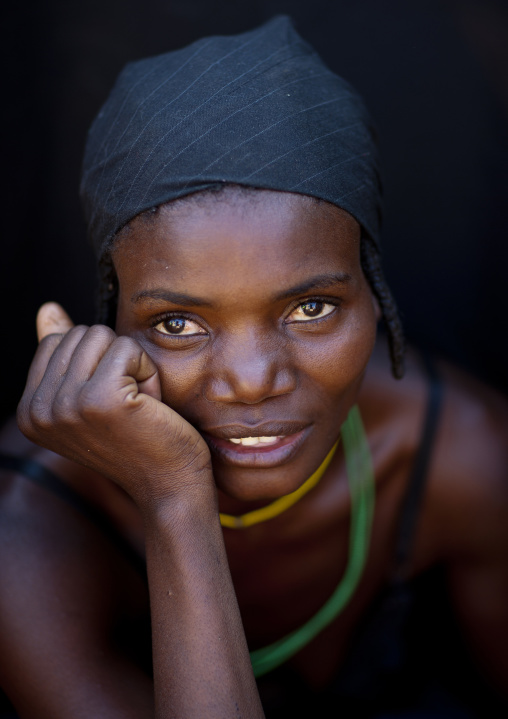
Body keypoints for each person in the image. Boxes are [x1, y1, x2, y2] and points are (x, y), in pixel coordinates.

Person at [0, 15, 507, 718]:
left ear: (376, 298)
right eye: (177, 323)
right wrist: (177, 498)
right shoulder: (32, 523)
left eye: (311, 309)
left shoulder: (458, 456)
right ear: (111, 322)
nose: (251, 378)